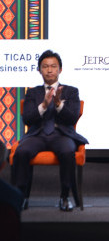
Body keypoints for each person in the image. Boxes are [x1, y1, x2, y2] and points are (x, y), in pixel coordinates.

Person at [12, 50, 88, 212]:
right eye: (45, 66)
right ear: (39, 70)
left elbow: (72, 118)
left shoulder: (71, 91)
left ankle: (65, 197)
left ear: (60, 69)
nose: (49, 70)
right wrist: (44, 105)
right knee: (22, 151)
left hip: (61, 135)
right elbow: (28, 119)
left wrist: (58, 103)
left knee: (67, 151)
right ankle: (21, 197)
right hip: (37, 135)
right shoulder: (32, 93)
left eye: (53, 66)